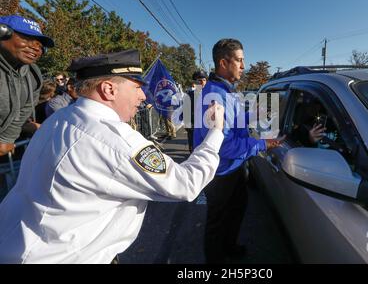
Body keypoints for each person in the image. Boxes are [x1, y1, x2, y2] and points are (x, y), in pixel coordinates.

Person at [0, 49, 225, 264]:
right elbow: (186, 184)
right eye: (137, 87)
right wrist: (215, 132)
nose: (143, 95)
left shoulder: (61, 118)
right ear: (109, 89)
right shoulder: (113, 140)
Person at [193, 39, 283, 263]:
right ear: (224, 62)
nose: (244, 66)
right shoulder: (214, 96)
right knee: (218, 221)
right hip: (220, 172)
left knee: (236, 210)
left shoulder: (226, 91)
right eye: (240, 60)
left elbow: (233, 124)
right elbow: (224, 145)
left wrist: (253, 115)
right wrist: (264, 144)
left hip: (234, 168)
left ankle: (229, 246)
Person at [0, 15, 54, 156]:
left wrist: (6, 138)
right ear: (2, 33)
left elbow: (23, 111)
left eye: (40, 45)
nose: (35, 48)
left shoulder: (33, 75)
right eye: (27, 39)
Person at [186, 70, 208, 152]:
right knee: (194, 151)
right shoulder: (190, 95)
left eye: (204, 80)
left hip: (207, 127)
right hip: (194, 127)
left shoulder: (210, 94)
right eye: (199, 80)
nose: (202, 82)